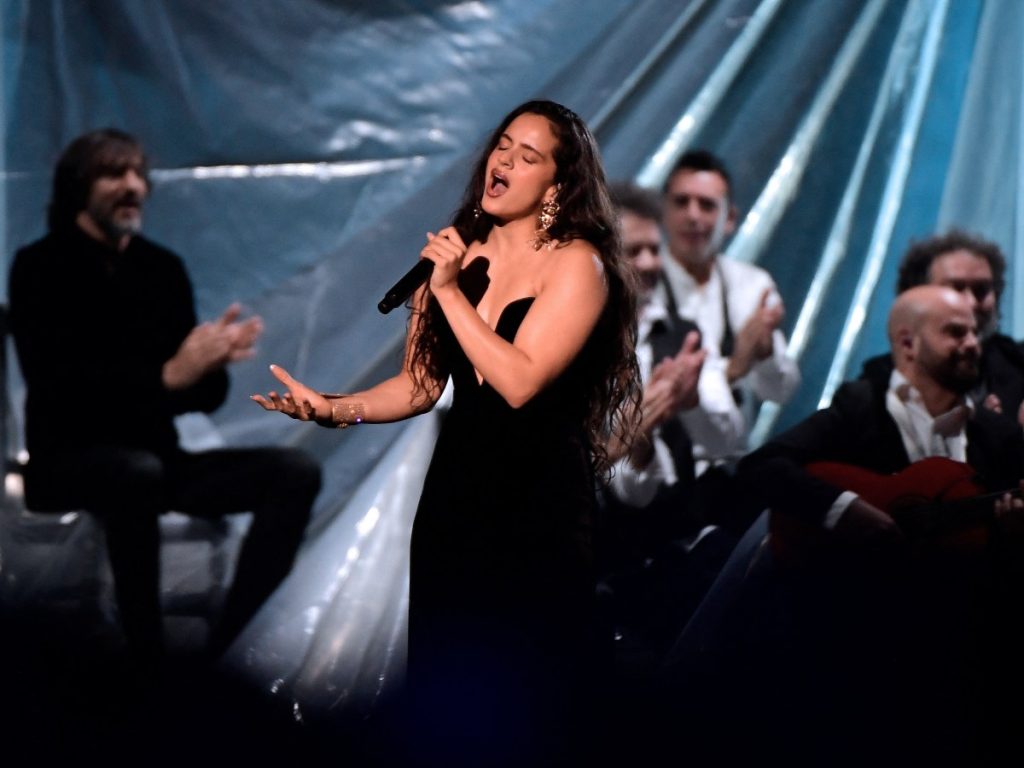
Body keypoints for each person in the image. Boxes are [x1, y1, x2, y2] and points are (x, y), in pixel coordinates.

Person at [252, 100, 641, 763]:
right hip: (457, 496)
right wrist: (333, 409)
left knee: (530, 687)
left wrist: (452, 291)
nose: (504, 162)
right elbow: (421, 384)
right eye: (501, 146)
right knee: (445, 680)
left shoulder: (578, 265)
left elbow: (519, 380)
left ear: (558, 182)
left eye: (528, 156)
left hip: (539, 502)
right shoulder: (460, 255)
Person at [8, 128, 321, 668]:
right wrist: (165, 379)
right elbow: (59, 388)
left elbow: (201, 394)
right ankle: (147, 666)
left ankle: (226, 649)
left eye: (138, 175)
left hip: (156, 459)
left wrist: (209, 362)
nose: (132, 186)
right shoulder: (41, 266)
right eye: (113, 173)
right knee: (138, 472)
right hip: (66, 460)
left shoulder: (161, 269)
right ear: (80, 186)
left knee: (295, 471)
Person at [729, 285, 1024, 762]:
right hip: (853, 651)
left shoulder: (1000, 437)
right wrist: (844, 509)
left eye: (974, 332)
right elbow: (762, 467)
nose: (974, 343)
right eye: (955, 332)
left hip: (963, 660)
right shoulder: (858, 409)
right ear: (907, 343)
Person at [657, 149, 799, 533]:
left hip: (731, 472)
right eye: (681, 202)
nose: (693, 215)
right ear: (664, 210)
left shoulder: (751, 284)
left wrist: (765, 352)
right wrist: (736, 365)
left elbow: (781, 390)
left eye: (706, 205)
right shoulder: (642, 284)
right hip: (658, 480)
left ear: (730, 218)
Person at [861, 229, 1024, 426]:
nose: (970, 302)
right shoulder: (874, 391)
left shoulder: (1017, 362)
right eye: (955, 289)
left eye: (981, 290)